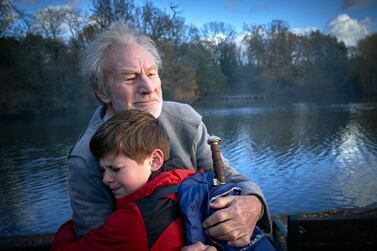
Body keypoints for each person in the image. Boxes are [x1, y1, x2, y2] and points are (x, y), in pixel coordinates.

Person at [68, 22, 271, 247]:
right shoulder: (85, 158)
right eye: (130, 77)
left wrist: (253, 204)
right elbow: (96, 244)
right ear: (102, 90)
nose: (148, 86)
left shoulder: (185, 120)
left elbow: (231, 177)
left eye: (152, 73)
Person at [53, 109, 216, 250]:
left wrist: (69, 227)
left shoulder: (132, 223)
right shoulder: (190, 179)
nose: (105, 179)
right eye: (103, 170)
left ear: (154, 160)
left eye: (115, 169)